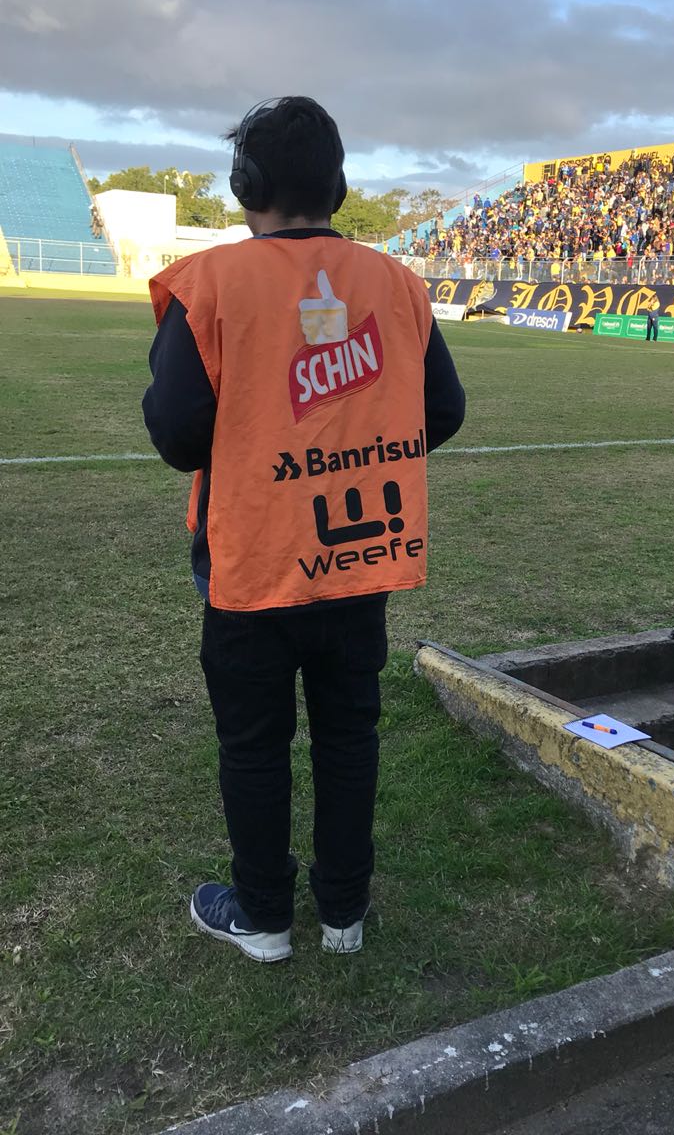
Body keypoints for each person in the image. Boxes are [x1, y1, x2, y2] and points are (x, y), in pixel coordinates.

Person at [142, 97, 466, 963]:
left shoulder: (207, 282)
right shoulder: (397, 283)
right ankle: (344, 914)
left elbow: (176, 435)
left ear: (245, 185)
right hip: (358, 557)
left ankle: (264, 916)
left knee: (254, 744)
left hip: (250, 562)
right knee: (349, 733)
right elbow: (443, 409)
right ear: (340, 184)